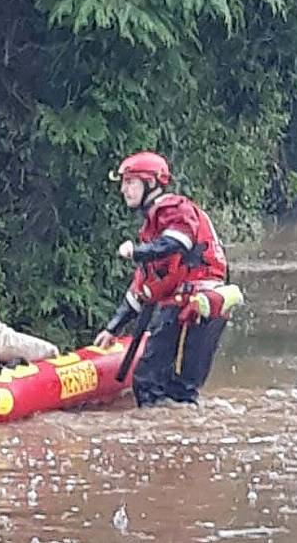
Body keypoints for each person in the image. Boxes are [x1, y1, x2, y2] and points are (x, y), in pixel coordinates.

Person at [93, 151, 242, 406]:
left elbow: (176, 243)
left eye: (130, 182)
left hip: (192, 305)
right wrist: (112, 329)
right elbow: (142, 289)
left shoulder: (174, 209)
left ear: (150, 183)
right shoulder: (156, 224)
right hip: (201, 307)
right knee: (181, 391)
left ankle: (155, 436)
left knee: (148, 382)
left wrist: (136, 252)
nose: (123, 189)